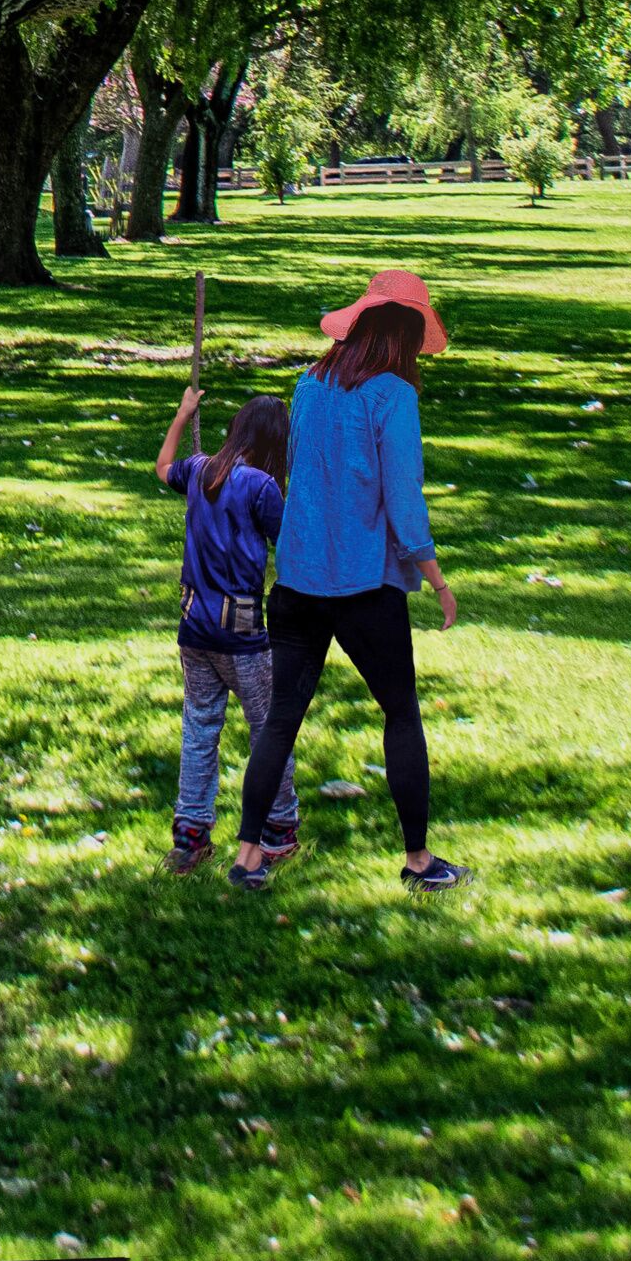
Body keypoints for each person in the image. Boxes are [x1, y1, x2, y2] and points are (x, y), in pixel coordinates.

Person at [228, 269, 467, 893]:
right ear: (405, 336)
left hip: (299, 583)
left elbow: (300, 474)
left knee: (281, 721)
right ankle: (419, 861)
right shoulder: (394, 397)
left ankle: (248, 857)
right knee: (401, 714)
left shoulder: (309, 385)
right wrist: (437, 579)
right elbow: (404, 502)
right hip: (365, 587)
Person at [158, 384, 297, 876]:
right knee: (269, 729)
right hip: (241, 636)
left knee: (199, 729)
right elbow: (291, 546)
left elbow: (161, 468)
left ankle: (190, 836)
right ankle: (279, 827)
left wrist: (183, 414)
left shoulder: (200, 471)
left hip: (193, 630)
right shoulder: (262, 487)